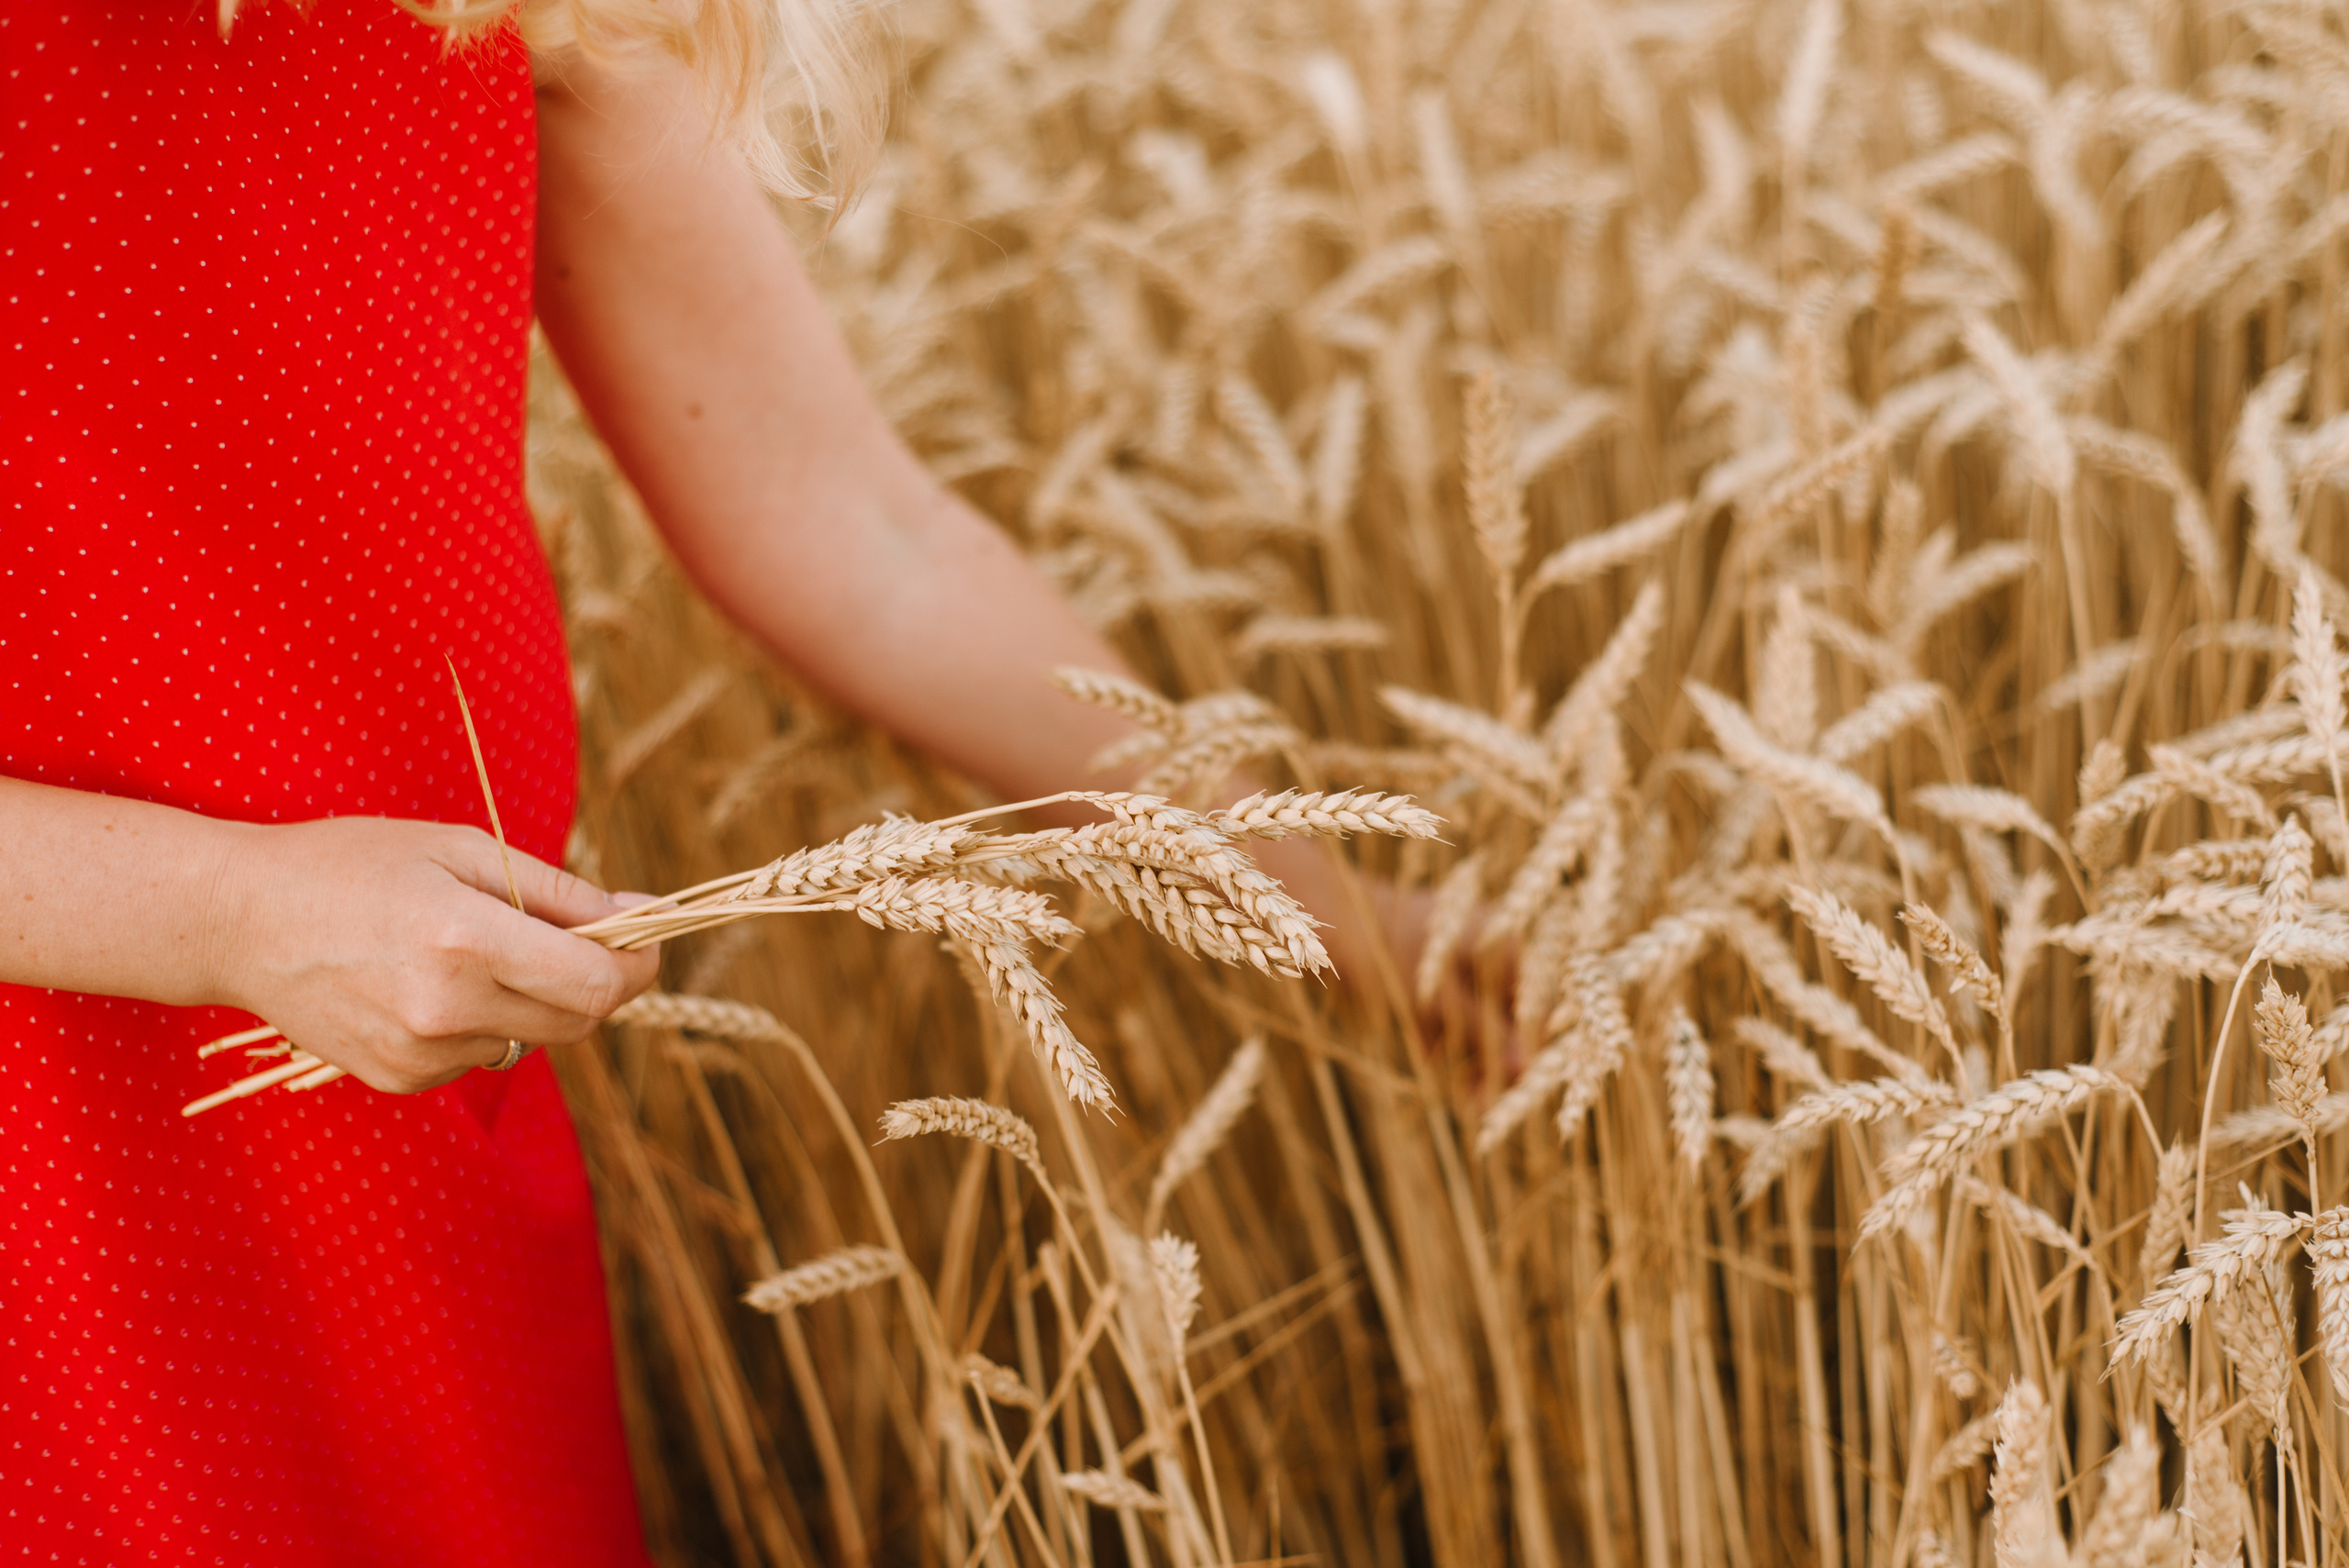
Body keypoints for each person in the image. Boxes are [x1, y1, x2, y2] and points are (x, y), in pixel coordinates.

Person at [1, 1, 1381, 1561]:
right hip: (47, 1201)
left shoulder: (517, 13)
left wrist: (1332, 901)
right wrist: (230, 916)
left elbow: (860, 537)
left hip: (409, 1116)